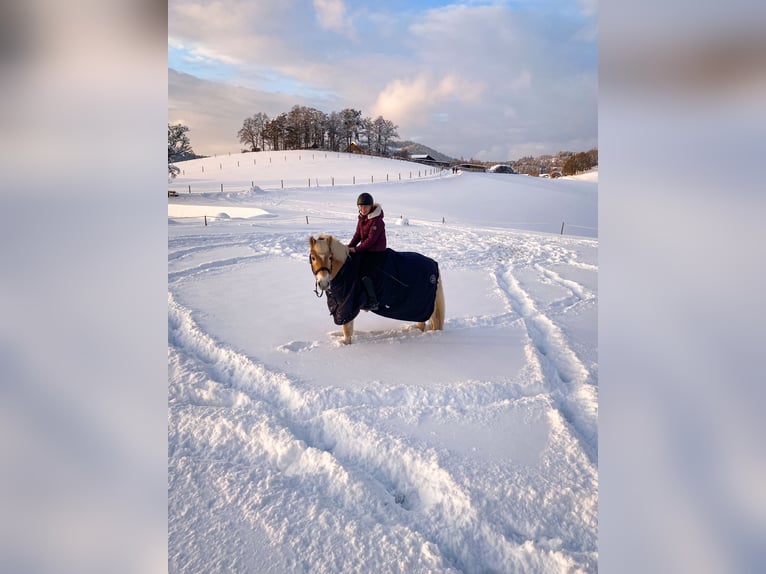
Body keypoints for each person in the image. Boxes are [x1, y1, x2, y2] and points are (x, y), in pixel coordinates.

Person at [348, 192, 386, 311]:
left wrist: (356, 249)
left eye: (365, 206)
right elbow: (357, 235)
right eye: (360, 206)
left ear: (371, 207)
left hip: (376, 251)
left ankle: (373, 300)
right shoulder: (362, 218)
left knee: (364, 273)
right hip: (365, 250)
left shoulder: (377, 221)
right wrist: (348, 247)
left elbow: (371, 240)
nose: (362, 209)